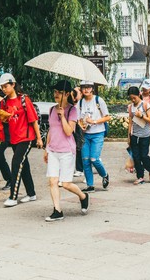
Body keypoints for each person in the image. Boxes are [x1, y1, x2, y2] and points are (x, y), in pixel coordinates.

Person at [43, 80, 89, 221]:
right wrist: (46, 148)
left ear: (67, 94)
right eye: (55, 92)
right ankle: (57, 210)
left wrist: (63, 116)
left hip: (67, 151)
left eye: (60, 92)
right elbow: (51, 130)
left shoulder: (72, 111)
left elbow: (69, 131)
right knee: (53, 181)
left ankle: (83, 196)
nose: (56, 95)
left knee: (66, 184)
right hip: (53, 150)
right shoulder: (51, 109)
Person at [0, 73, 43, 207]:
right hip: (14, 138)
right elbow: (5, 120)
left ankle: (13, 196)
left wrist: (39, 138)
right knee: (24, 166)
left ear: (13, 85)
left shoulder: (24, 99)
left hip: (26, 137)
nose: (4, 89)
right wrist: (2, 116)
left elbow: (34, 120)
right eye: (2, 87)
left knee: (16, 163)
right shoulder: (4, 102)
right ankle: (31, 193)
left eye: (6, 86)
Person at [77, 80, 111, 193]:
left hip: (98, 134)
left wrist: (95, 121)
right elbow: (78, 119)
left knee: (94, 159)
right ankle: (90, 185)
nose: (86, 89)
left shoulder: (98, 100)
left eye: (88, 87)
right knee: (85, 160)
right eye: (84, 87)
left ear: (92, 88)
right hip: (85, 135)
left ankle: (104, 175)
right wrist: (81, 125)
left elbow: (107, 117)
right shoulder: (80, 103)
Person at [127, 86, 150, 184]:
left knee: (144, 155)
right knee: (136, 157)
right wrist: (129, 137)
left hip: (145, 135)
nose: (133, 100)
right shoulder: (131, 107)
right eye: (131, 98)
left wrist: (141, 116)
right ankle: (140, 176)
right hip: (135, 135)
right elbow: (130, 122)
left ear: (139, 94)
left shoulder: (145, 105)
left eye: (134, 97)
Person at [68, 86, 84, 177]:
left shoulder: (82, 103)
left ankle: (82, 169)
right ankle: (78, 168)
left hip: (81, 126)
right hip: (75, 126)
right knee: (77, 149)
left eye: (77, 92)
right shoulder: (72, 105)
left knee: (80, 148)